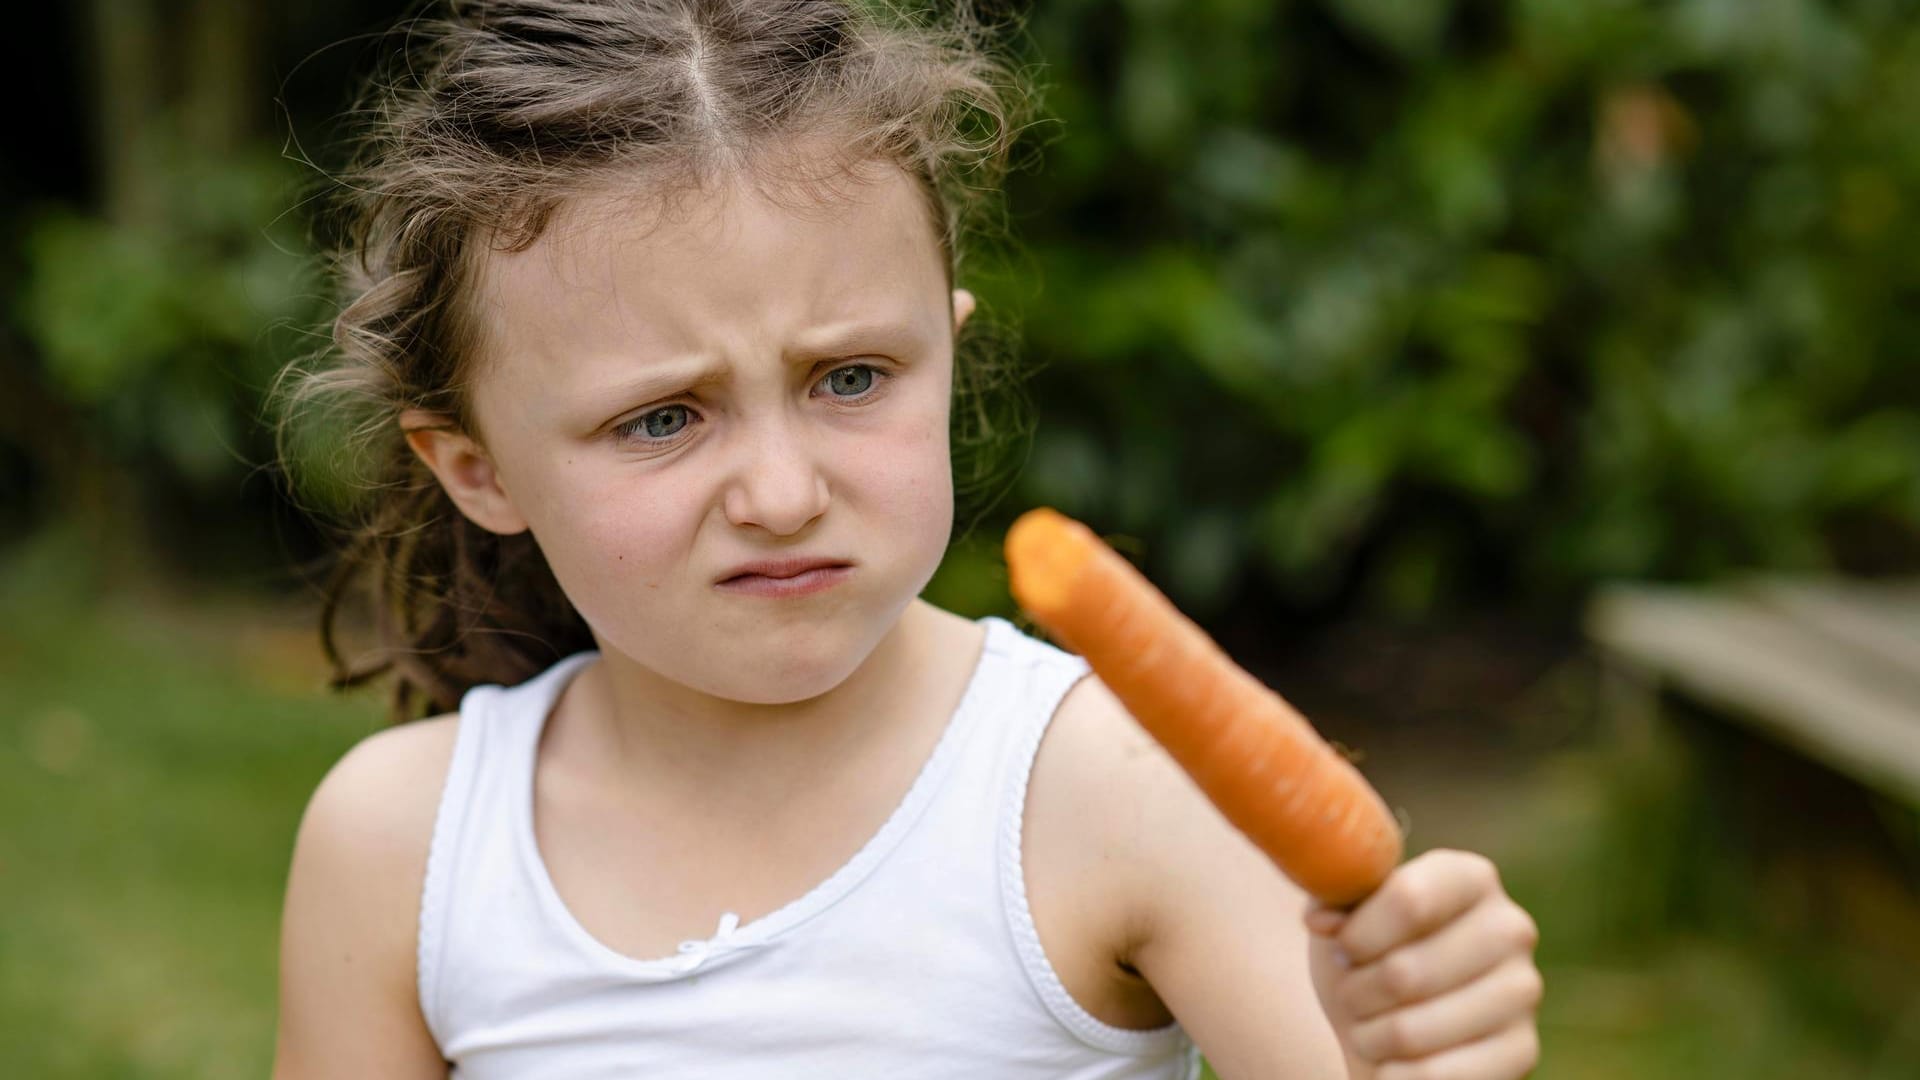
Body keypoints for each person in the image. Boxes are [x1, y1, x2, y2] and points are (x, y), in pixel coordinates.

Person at [270, 2, 1542, 1077]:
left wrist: (1413, 1038)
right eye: (662, 417)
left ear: (950, 342)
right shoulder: (402, 849)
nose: (779, 491)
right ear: (478, 469)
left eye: (851, 379)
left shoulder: (1111, 790)